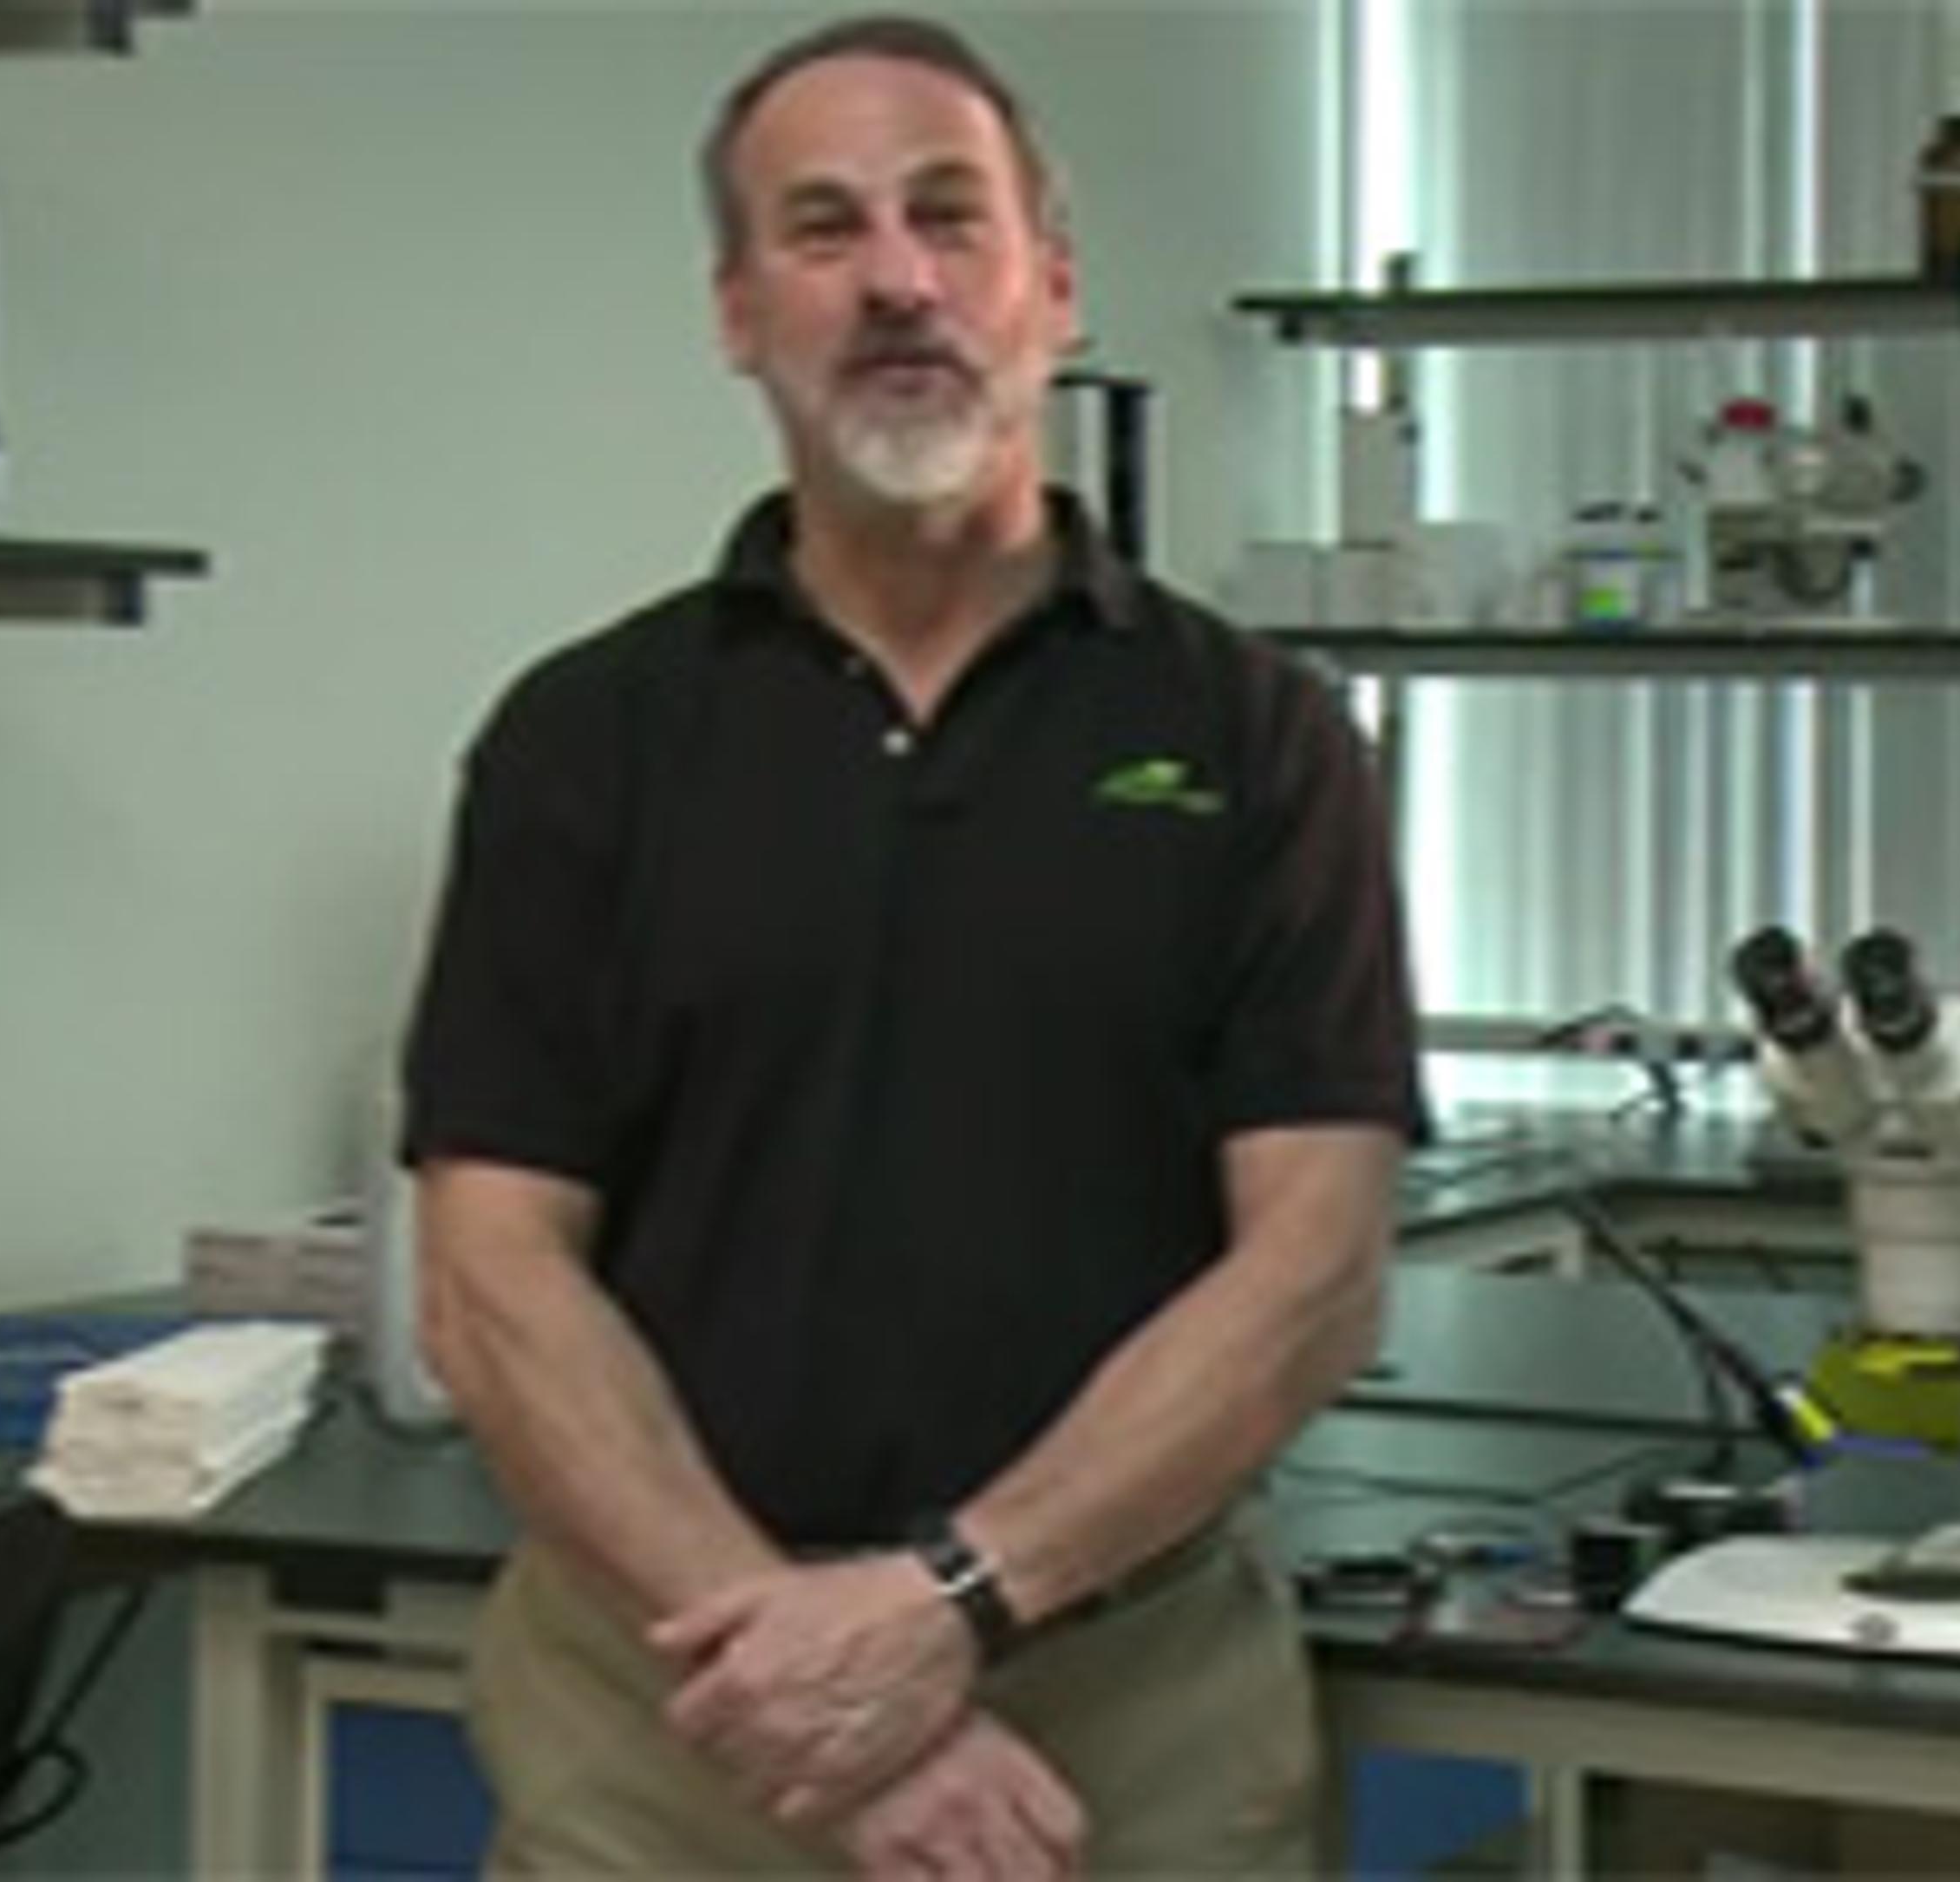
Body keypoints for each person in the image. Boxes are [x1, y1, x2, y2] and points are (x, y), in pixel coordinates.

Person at [399, 15, 1419, 1875]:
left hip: (1126, 1707)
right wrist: (809, 1681)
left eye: (950, 216)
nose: (896, 278)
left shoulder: (1258, 737)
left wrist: (951, 1598)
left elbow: (1315, 1267)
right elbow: (492, 1278)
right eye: (823, 227)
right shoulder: (586, 740)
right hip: (671, 1691)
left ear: (1053, 287)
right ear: (738, 310)